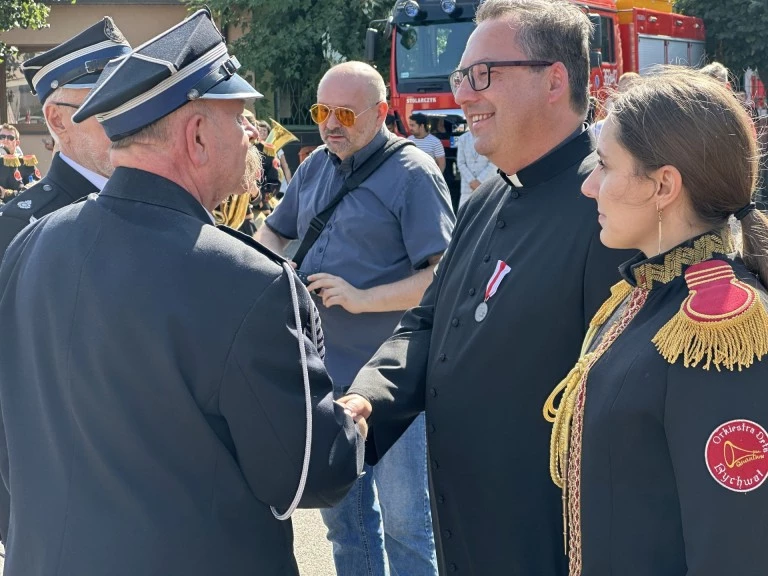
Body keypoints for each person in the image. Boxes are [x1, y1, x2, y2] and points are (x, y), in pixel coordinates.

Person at [0, 10, 363, 575]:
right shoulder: (250, 282)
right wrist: (355, 419)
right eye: (239, 116)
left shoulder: (30, 244)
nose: (252, 133)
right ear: (196, 136)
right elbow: (310, 475)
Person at [338, 1, 633, 573]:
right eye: (460, 77)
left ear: (554, 79)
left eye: (483, 75)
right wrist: (366, 400)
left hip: (551, 542)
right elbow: (428, 324)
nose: (463, 95)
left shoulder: (611, 211)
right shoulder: (482, 201)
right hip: (465, 535)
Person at [544, 68, 768, 575]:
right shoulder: (643, 294)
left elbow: (735, 551)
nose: (588, 186)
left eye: (604, 165)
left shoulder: (719, 325)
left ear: (664, 184)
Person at [256, 61, 454, 576]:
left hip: (392, 381)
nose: (330, 124)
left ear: (382, 112)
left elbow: (442, 278)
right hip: (323, 379)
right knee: (345, 527)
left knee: (407, 527)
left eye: (345, 112)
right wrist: (260, 273)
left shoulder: (414, 173)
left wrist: (362, 297)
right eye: (322, 111)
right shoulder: (315, 165)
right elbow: (275, 235)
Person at [0, 18, 132, 256]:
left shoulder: (149, 200)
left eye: (131, 101)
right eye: (106, 104)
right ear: (57, 120)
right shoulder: (19, 228)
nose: (128, 119)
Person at [0, 124, 41, 202]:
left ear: (17, 143)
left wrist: (4, 193)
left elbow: (35, 192)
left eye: (10, 138)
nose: (5, 140)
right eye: (2, 137)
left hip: (14, 210)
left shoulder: (26, 164)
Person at [456, 129, 495, 208]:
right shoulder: (462, 138)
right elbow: (461, 163)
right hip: (467, 188)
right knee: (464, 218)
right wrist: (471, 181)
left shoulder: (491, 137)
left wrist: (480, 181)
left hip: (488, 186)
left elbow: (494, 162)